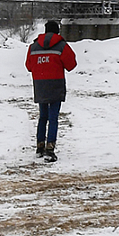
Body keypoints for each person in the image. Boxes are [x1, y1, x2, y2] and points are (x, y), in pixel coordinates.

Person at [25, 19, 76, 161]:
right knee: (53, 118)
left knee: (43, 116)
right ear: (57, 31)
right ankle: (50, 149)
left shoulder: (34, 47)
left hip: (40, 85)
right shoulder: (62, 46)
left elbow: (29, 66)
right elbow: (71, 65)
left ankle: (39, 147)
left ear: (45, 31)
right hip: (56, 84)